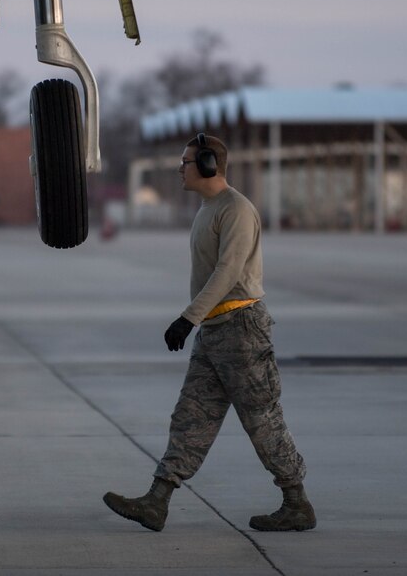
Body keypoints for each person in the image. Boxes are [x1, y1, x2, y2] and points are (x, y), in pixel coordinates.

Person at [103, 133, 315, 532]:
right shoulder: (208, 208)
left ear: (207, 165)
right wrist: (199, 321)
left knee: (262, 421)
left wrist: (188, 318)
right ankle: (157, 501)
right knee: (191, 416)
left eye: (185, 162)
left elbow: (228, 272)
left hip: (241, 331)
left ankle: (297, 502)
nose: (179, 169)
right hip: (216, 331)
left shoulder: (236, 209)